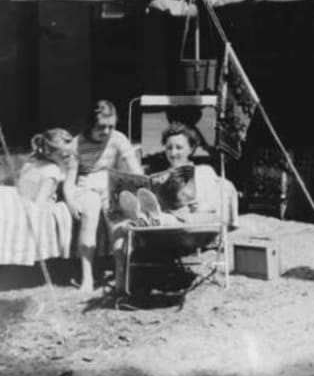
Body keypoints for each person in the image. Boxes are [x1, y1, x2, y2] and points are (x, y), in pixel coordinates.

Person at [110, 123, 238, 294]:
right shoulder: (161, 175)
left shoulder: (204, 172)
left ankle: (147, 218)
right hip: (164, 227)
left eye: (179, 147)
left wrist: (202, 206)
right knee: (123, 224)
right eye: (169, 148)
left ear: (191, 149)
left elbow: (216, 206)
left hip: (193, 225)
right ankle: (122, 278)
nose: (173, 152)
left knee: (165, 218)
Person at [16, 128, 102, 292]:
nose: (68, 157)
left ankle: (87, 275)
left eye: (69, 152)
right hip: (46, 193)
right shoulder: (39, 162)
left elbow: (69, 186)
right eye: (62, 155)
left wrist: (71, 203)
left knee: (89, 208)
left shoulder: (70, 161)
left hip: (69, 191)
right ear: (49, 154)